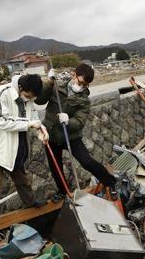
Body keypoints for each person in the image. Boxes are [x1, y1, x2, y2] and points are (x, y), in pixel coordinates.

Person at [0, 73, 49, 244]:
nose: (29, 99)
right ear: (21, 88)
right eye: (27, 96)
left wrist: (41, 131)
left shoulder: (29, 98)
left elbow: (33, 119)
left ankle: (31, 205)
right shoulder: (1, 93)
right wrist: (29, 124)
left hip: (16, 148)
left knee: (23, 181)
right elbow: (0, 120)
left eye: (32, 98)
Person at [36, 63, 116, 197]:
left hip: (71, 135)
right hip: (51, 134)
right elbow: (39, 100)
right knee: (55, 166)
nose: (82, 86)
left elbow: (79, 122)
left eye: (86, 85)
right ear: (74, 75)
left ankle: (110, 181)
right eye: (81, 82)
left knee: (86, 161)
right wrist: (48, 82)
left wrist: (68, 121)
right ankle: (63, 191)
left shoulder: (84, 100)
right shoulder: (57, 86)